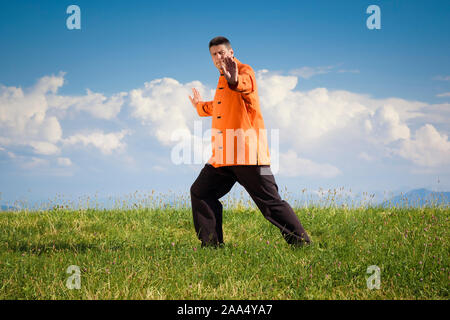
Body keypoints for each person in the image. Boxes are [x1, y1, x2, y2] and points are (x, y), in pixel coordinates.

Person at [188, 36, 310, 248]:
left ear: (231, 53)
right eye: (214, 55)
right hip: (224, 158)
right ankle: (211, 246)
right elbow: (218, 106)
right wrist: (199, 106)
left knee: (270, 203)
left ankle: (301, 243)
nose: (218, 57)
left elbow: (243, 85)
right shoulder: (221, 79)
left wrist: (234, 79)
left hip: (249, 157)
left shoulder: (244, 72)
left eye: (221, 53)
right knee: (200, 192)